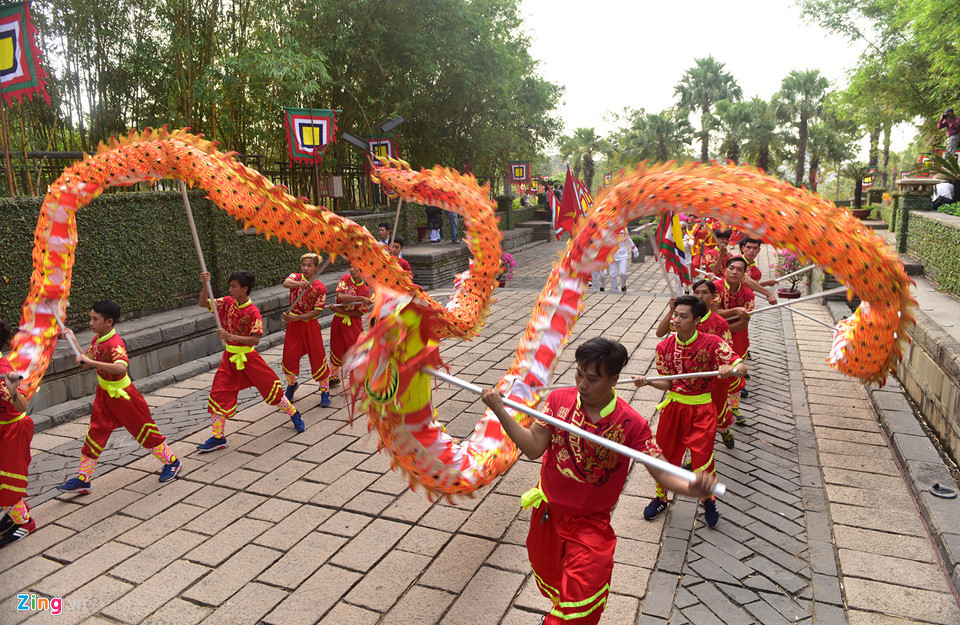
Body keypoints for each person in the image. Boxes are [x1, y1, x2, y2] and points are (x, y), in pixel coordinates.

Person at [481, 337, 716, 625]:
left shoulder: (631, 424)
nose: (581, 384)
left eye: (592, 379)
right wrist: (499, 410)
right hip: (548, 513)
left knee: (583, 600)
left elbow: (661, 470)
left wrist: (689, 487)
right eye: (579, 374)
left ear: (614, 379)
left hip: (590, 524)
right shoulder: (559, 400)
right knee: (556, 583)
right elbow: (533, 449)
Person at [635, 295, 745, 525]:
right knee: (664, 454)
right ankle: (661, 497)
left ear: (697, 320)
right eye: (675, 315)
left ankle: (708, 499)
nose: (675, 320)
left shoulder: (713, 343)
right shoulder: (664, 346)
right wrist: (648, 382)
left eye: (683, 316)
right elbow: (668, 383)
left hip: (702, 409)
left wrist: (731, 369)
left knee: (702, 458)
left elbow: (740, 365)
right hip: (674, 407)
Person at [56, 301, 182, 495]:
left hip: (124, 396)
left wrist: (89, 361)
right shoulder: (97, 340)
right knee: (94, 434)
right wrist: (72, 340)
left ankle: (172, 462)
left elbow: (121, 367)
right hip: (104, 395)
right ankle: (83, 479)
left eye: (94, 319)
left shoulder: (115, 343)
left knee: (144, 431)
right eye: (90, 318)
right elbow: (87, 363)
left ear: (109, 322)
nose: (90, 322)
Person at [198, 269, 306, 450]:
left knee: (272, 389)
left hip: (249, 358)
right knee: (218, 394)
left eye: (234, 286)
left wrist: (229, 335)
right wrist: (204, 284)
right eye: (230, 286)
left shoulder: (253, 312)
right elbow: (203, 303)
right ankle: (218, 438)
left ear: (244, 289)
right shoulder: (227, 302)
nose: (230, 289)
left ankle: (294, 414)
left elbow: (255, 340)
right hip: (229, 359)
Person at [654, 280, 741, 448]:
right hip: (686, 387)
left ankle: (723, 430)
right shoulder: (682, 318)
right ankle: (692, 457)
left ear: (714, 296)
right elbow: (660, 333)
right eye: (697, 292)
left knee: (718, 414)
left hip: (713, 379)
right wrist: (672, 309)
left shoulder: (719, 324)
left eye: (705, 292)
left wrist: (725, 368)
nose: (700, 296)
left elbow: (729, 355)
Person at [0, 320, 36, 547]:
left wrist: (13, 391)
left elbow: (22, 406)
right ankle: (14, 512)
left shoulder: (5, 373)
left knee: (6, 480)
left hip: (13, 430)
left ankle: (25, 522)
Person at [281, 253, 331, 408]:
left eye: (310, 265)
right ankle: (292, 385)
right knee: (289, 357)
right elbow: (285, 283)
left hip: (309, 326)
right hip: (293, 327)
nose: (306, 268)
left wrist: (295, 319)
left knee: (317, 358)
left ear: (316, 268)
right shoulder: (296, 278)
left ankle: (325, 390)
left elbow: (316, 312)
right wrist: (299, 285)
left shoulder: (320, 288)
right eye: (304, 265)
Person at [713, 257, 755, 420]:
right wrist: (735, 310)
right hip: (713, 336)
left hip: (736, 338)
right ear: (725, 270)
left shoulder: (748, 294)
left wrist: (723, 332)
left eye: (739, 270)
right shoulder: (715, 288)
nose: (734, 272)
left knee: (735, 374)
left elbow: (743, 323)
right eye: (731, 268)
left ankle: (735, 409)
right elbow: (713, 311)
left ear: (744, 275)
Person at [328, 265, 372, 386]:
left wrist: (342, 311)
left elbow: (359, 313)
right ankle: (334, 376)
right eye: (350, 266)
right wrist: (360, 298)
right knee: (336, 348)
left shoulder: (366, 290)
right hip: (338, 321)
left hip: (353, 325)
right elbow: (341, 296)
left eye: (355, 267)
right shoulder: (345, 279)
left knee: (356, 349)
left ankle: (360, 377)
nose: (351, 270)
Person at [737, 237, 778, 305]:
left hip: (740, 301)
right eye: (748, 247)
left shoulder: (757, 273)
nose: (751, 251)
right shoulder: (735, 260)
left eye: (755, 248)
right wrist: (769, 294)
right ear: (743, 248)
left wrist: (766, 283)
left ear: (759, 250)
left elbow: (750, 287)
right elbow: (744, 279)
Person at [609, 228, 640, 292]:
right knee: (612, 274)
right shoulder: (607, 228)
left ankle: (623, 284)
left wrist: (635, 250)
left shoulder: (624, 228)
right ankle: (614, 290)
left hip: (622, 253)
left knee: (623, 273)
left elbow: (628, 239)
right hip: (611, 253)